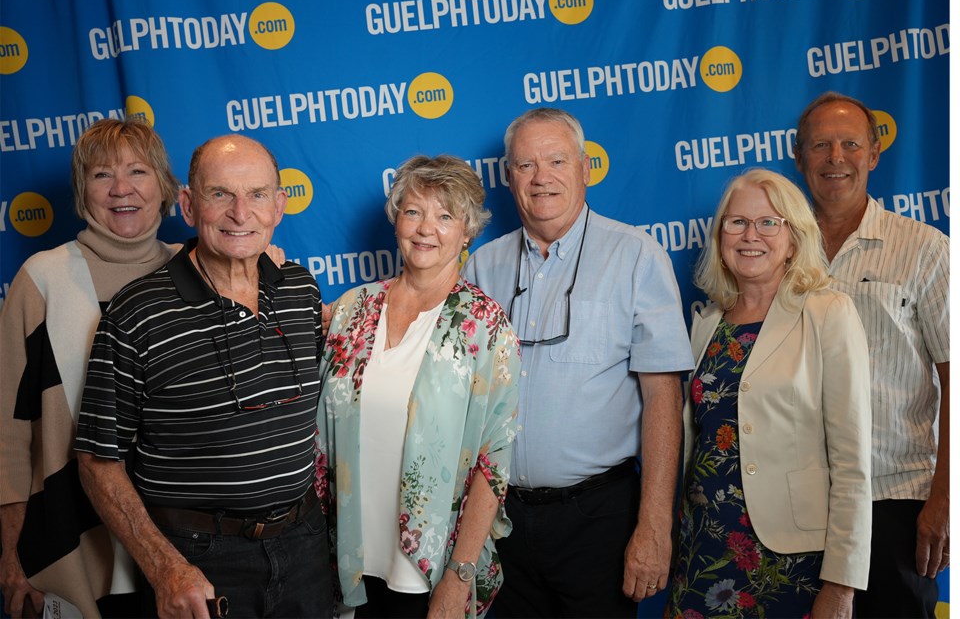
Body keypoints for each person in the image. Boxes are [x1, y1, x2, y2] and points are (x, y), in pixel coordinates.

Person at [73, 134, 333, 618]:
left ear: (279, 206)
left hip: (306, 546)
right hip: (198, 560)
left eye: (257, 195)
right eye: (220, 195)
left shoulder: (300, 289)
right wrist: (164, 566)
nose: (241, 213)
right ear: (189, 206)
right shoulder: (137, 313)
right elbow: (96, 462)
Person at [461, 108, 694, 617]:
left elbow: (663, 397)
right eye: (525, 165)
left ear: (585, 168)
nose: (541, 177)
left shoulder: (635, 255)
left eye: (556, 161)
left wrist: (655, 525)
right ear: (508, 176)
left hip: (599, 519)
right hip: (500, 521)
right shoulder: (483, 265)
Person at [317, 155, 520, 618]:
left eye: (445, 216)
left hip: (428, 567)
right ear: (396, 221)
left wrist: (460, 574)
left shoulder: (485, 325)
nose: (426, 228)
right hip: (344, 559)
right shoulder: (353, 308)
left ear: (467, 230)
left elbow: (494, 461)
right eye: (414, 211)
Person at [666, 168, 872, 617]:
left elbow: (853, 464)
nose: (749, 235)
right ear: (721, 235)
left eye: (767, 222)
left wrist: (842, 585)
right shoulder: (705, 322)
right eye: (736, 222)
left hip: (792, 560)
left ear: (794, 238)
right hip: (704, 549)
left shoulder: (828, 313)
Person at [0, 118, 180, 618]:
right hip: (70, 542)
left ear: (164, 186)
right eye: (102, 175)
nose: (121, 189)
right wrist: (11, 557)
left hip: (183, 544)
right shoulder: (43, 279)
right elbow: (7, 434)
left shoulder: (197, 269)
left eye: (138, 172)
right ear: (83, 190)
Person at [794, 92, 950, 618]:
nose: (836, 157)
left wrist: (945, 495)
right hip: (800, 501)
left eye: (850, 144)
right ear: (799, 157)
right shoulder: (778, 251)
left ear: (874, 154)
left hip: (896, 497)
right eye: (820, 145)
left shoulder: (925, 248)